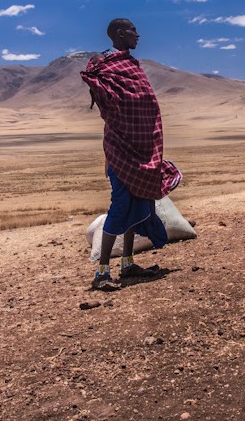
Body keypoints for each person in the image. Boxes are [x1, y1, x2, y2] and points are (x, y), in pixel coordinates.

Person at [80, 19, 182, 289]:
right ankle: (102, 273)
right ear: (119, 33)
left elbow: (142, 105)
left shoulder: (131, 65)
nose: (138, 34)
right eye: (133, 30)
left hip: (141, 147)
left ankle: (127, 264)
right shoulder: (105, 66)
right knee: (121, 206)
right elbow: (110, 106)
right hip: (121, 149)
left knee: (136, 203)